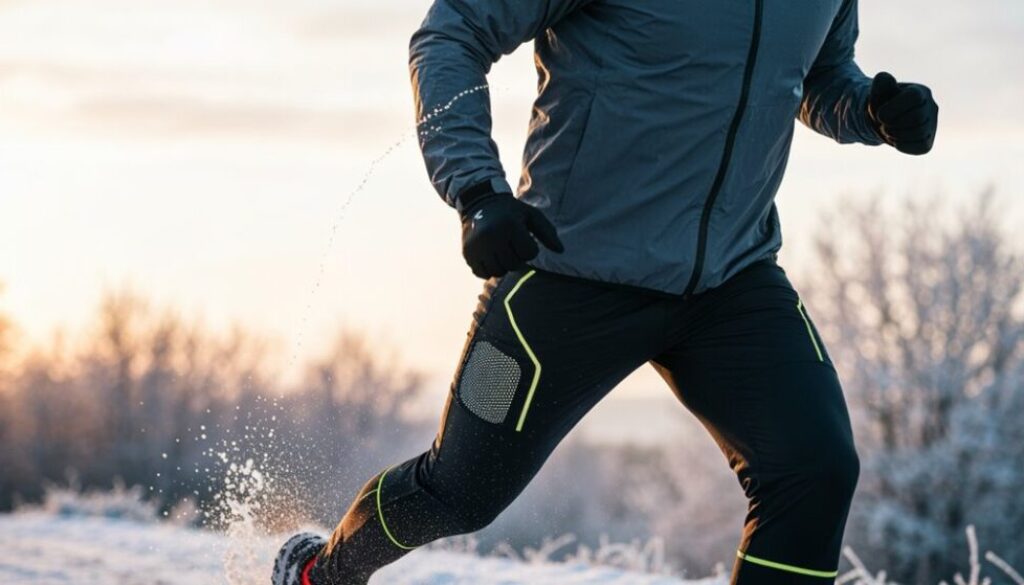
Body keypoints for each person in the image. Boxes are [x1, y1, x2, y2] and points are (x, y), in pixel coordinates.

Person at [272, 0, 938, 582]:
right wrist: (476, 190)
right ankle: (320, 572)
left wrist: (873, 111)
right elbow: (453, 32)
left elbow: (816, 76)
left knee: (816, 468)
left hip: (730, 283)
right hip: (569, 272)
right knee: (460, 491)